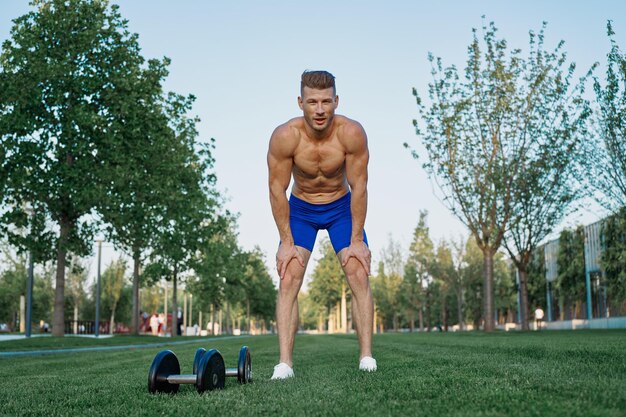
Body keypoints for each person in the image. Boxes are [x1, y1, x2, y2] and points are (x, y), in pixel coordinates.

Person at [267, 70, 376, 380]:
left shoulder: (351, 134)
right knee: (289, 276)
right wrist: (286, 242)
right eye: (312, 101)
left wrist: (357, 240)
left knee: (357, 269)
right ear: (300, 102)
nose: (319, 109)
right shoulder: (285, 136)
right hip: (301, 209)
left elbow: (360, 186)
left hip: (341, 207)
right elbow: (277, 189)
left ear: (336, 101)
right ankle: (285, 363)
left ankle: (366, 357)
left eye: (326, 101)